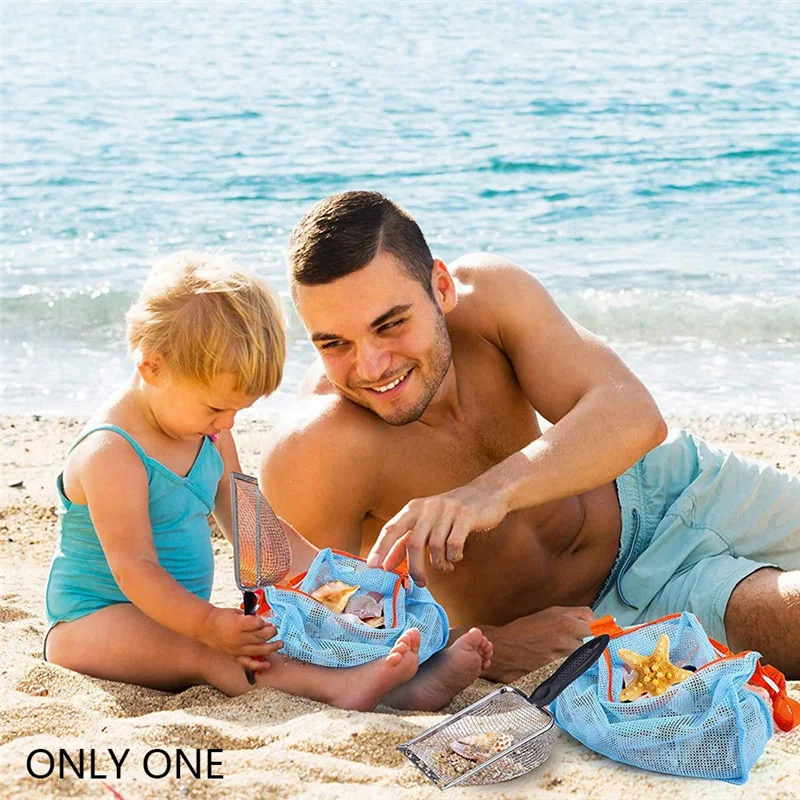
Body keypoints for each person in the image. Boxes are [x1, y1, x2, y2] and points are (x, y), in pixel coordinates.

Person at [261, 191, 800, 682]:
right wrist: (485, 645)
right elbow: (314, 644)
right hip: (611, 605)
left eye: (391, 324)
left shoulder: (490, 298)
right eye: (334, 344)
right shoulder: (316, 453)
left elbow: (636, 416)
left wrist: (485, 494)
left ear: (441, 288)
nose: (371, 367)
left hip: (666, 484)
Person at [43, 251, 491, 711]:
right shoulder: (112, 453)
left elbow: (249, 523)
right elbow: (134, 569)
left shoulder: (208, 429)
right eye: (217, 407)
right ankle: (342, 690)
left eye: (239, 409)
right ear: (152, 367)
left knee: (283, 627)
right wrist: (208, 625)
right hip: (92, 624)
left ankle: (405, 689)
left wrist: (334, 578)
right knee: (213, 653)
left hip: (179, 616)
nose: (227, 421)